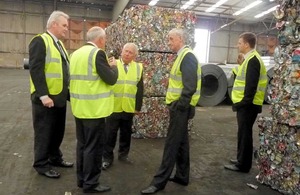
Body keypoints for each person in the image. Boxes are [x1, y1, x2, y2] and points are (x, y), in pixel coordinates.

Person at [141, 28, 201, 194]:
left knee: (171, 145)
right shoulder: (183, 56)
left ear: (180, 39)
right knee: (182, 143)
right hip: (180, 107)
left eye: (171, 39)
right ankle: (182, 176)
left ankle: (158, 182)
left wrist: (180, 106)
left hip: (180, 108)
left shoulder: (187, 57)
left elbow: (190, 86)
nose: (169, 43)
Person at [69, 26, 118, 193]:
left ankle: (82, 180)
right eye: (105, 39)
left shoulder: (75, 54)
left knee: (82, 145)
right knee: (94, 148)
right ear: (101, 40)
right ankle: (91, 183)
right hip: (94, 110)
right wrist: (114, 67)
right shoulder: (97, 54)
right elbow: (110, 79)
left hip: (79, 108)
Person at [29, 10, 73, 179]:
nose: (66, 29)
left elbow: (63, 72)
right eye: (64, 25)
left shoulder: (60, 45)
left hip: (59, 97)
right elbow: (36, 69)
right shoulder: (40, 41)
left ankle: (55, 157)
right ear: (53, 24)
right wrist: (43, 95)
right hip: (45, 99)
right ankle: (41, 164)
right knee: (44, 133)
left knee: (57, 132)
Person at [224, 32, 267, 173]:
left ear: (247, 44)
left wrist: (241, 103)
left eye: (240, 43)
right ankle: (241, 159)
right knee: (243, 133)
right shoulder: (248, 59)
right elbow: (243, 77)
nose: (238, 45)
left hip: (248, 105)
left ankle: (243, 165)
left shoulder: (253, 60)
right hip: (247, 104)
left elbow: (251, 87)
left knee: (245, 134)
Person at [102, 43, 144, 170]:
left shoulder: (138, 68)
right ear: (121, 51)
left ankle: (123, 155)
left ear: (135, 56)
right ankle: (107, 158)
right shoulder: (113, 64)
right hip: (113, 106)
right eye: (126, 51)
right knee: (110, 134)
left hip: (128, 107)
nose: (127, 54)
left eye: (130, 52)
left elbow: (140, 89)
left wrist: (137, 107)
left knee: (126, 133)